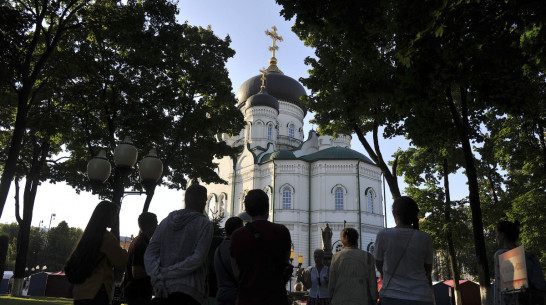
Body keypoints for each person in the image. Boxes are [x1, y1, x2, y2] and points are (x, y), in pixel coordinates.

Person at [144, 183, 213, 305]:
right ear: (202, 201)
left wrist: (158, 278)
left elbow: (150, 254)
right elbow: (198, 258)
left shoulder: (166, 222)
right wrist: (168, 272)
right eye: (205, 200)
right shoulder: (204, 224)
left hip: (164, 289)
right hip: (191, 290)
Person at [230, 189, 292, 305]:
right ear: (267, 208)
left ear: (247, 210)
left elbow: (236, 272)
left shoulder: (237, 236)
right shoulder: (282, 232)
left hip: (247, 298)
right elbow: (285, 261)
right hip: (275, 298)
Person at [66, 200, 128, 305]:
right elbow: (121, 261)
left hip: (80, 291)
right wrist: (125, 252)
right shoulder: (106, 238)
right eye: (114, 215)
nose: (115, 218)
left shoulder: (86, 236)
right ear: (107, 216)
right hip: (97, 291)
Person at [374, 196, 433, 305]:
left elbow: (379, 265)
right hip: (421, 296)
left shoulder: (384, 235)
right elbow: (427, 270)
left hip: (391, 296)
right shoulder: (425, 238)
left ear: (394, 213)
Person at [494, 220, 546, 305]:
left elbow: (500, 292)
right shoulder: (531, 257)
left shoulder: (501, 255)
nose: (496, 237)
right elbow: (540, 286)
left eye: (497, 234)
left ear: (502, 235)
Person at [328, 228, 377, 305]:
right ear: (357, 240)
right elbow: (372, 283)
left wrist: (330, 297)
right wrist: (374, 299)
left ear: (343, 242)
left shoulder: (336, 257)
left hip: (340, 300)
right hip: (362, 300)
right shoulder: (368, 257)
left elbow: (332, 283)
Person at [123, 212, 158, 305]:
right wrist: (156, 270)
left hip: (134, 292)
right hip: (138, 294)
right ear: (150, 225)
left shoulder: (137, 241)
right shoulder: (142, 245)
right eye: (156, 223)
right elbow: (137, 272)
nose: (157, 226)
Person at [214, 217, 244, 305]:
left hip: (221, 294)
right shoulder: (236, 249)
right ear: (237, 231)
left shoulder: (219, 249)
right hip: (235, 296)